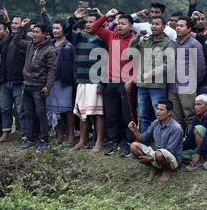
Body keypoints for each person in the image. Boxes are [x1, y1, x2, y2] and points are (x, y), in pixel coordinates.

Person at [90, 9, 138, 157]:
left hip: (126, 83)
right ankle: (113, 141)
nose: (119, 26)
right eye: (118, 23)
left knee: (127, 114)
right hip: (111, 82)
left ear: (131, 26)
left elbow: (139, 63)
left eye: (123, 24)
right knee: (111, 113)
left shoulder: (135, 40)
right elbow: (94, 28)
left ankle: (128, 141)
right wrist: (107, 16)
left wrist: (132, 80)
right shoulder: (111, 36)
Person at [66, 9, 106, 153]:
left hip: (96, 81)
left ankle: (99, 142)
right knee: (83, 112)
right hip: (81, 80)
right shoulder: (79, 37)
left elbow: (106, 62)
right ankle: (83, 140)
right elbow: (65, 31)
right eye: (88, 22)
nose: (90, 24)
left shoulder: (103, 40)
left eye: (93, 22)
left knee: (98, 113)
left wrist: (102, 82)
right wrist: (73, 17)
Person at [0, 8, 27, 143]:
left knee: (21, 110)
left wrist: (7, 19)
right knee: (5, 109)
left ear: (23, 25)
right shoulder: (8, 40)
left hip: (18, 81)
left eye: (16, 23)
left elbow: (17, 34)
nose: (14, 25)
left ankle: (26, 135)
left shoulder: (25, 40)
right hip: (4, 81)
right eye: (12, 23)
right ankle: (5, 134)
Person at [14, 19, 56, 153]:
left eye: (37, 32)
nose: (34, 34)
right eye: (33, 32)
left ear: (45, 34)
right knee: (27, 113)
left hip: (39, 87)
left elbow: (52, 70)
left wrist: (48, 87)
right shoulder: (30, 45)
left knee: (40, 114)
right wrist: (21, 28)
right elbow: (16, 41)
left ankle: (44, 140)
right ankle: (30, 140)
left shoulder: (50, 50)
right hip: (27, 85)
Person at [129, 16, 175, 134]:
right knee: (143, 116)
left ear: (164, 27)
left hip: (157, 86)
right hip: (142, 85)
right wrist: (137, 37)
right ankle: (143, 143)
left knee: (159, 115)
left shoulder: (168, 43)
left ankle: (158, 141)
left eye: (157, 24)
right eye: (152, 24)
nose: (153, 26)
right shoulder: (145, 40)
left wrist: (150, 74)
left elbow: (168, 65)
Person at [128, 99, 183, 184]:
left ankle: (167, 171)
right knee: (134, 146)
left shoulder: (176, 128)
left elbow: (169, 151)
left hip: (172, 159)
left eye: (161, 110)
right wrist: (134, 130)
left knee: (159, 154)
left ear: (169, 112)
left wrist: (150, 159)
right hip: (156, 155)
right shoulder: (156, 122)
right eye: (157, 109)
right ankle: (153, 168)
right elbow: (143, 138)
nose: (158, 111)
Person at [168, 16, 205, 135]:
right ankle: (178, 145)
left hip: (187, 87)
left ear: (189, 29)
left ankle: (190, 145)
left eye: (181, 26)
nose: (178, 28)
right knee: (175, 118)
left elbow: (201, 68)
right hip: (173, 86)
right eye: (177, 26)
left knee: (190, 117)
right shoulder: (174, 44)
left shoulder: (194, 44)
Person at [46, 19, 76, 146]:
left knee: (67, 109)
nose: (55, 31)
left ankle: (71, 135)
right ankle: (59, 135)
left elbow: (74, 65)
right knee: (54, 109)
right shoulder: (49, 44)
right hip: (51, 82)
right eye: (53, 28)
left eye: (57, 28)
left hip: (65, 82)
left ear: (63, 30)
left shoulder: (69, 46)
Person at [181, 94, 207, 171]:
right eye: (195, 104)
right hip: (202, 148)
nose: (196, 107)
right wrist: (178, 149)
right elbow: (190, 138)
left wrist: (199, 154)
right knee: (179, 152)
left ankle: (201, 159)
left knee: (198, 128)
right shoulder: (197, 118)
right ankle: (201, 158)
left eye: (199, 104)